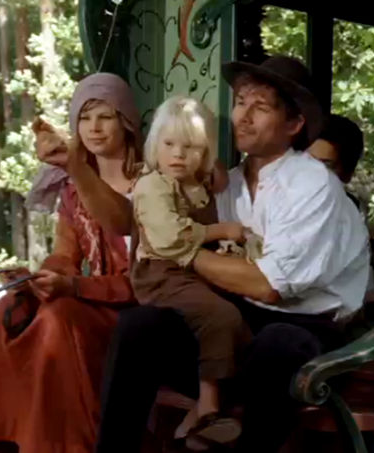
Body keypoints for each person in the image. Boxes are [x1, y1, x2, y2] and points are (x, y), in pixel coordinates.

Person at [94, 56, 371, 453]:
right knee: (141, 327)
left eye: (261, 107)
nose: (244, 116)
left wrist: (180, 249)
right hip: (236, 321)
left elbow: (269, 286)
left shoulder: (314, 186)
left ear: (294, 124)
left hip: (308, 333)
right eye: (241, 102)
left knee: (277, 343)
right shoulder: (228, 183)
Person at [0, 72, 141, 453]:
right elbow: (65, 256)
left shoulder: (150, 184)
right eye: (84, 118)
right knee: (9, 307)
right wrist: (36, 278)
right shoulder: (72, 190)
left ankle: (62, 444)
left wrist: (73, 286)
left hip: (133, 308)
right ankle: (0, 437)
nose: (94, 127)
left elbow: (141, 280)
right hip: (86, 298)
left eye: (104, 116)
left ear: (125, 121)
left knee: (59, 317)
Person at [131, 96, 251, 446]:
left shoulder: (197, 184)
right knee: (220, 315)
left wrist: (212, 168)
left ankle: (201, 422)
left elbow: (220, 181)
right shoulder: (152, 186)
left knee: (246, 321)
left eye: (190, 147)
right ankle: (209, 406)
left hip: (192, 271)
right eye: (169, 144)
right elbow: (169, 237)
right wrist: (221, 231)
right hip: (160, 273)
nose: (178, 155)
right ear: (155, 146)